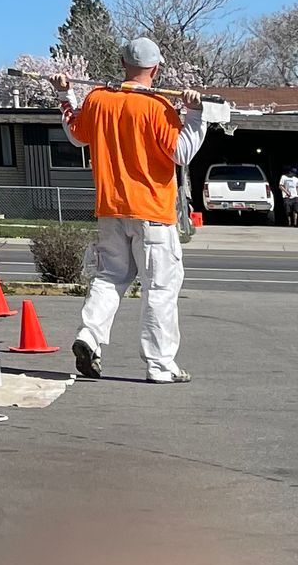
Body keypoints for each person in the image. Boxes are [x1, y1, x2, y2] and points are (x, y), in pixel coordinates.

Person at [65, 37, 211, 386]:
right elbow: (181, 153)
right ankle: (161, 365)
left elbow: (75, 133)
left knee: (110, 278)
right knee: (159, 288)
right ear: (156, 68)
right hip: (152, 213)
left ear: (122, 63)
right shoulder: (158, 106)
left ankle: (89, 335)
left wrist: (66, 96)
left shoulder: (98, 99)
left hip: (111, 209)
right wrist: (195, 115)